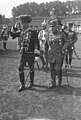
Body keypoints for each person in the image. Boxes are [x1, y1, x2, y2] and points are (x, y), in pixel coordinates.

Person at [17, 15, 39, 92]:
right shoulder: (22, 32)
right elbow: (18, 38)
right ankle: (22, 84)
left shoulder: (33, 32)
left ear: (27, 24)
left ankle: (31, 82)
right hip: (22, 54)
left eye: (23, 23)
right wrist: (19, 46)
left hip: (30, 54)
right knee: (20, 68)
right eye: (21, 23)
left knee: (31, 68)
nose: (22, 25)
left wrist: (36, 54)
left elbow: (36, 43)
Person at [48, 19, 69, 88]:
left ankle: (59, 80)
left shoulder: (61, 34)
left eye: (53, 27)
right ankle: (53, 83)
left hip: (59, 54)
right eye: (51, 27)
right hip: (51, 54)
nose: (52, 28)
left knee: (57, 69)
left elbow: (67, 42)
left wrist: (63, 49)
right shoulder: (49, 34)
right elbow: (46, 43)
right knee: (52, 69)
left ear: (56, 27)